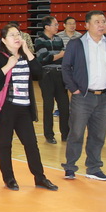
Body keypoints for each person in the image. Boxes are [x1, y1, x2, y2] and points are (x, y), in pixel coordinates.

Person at [0, 23, 59, 192]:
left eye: (18, 34)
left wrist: (27, 51)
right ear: (4, 40)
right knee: (5, 144)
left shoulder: (25, 56)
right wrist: (8, 65)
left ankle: (40, 177)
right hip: (6, 108)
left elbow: (39, 73)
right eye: (12, 35)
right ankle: (9, 178)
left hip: (24, 108)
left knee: (31, 144)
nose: (16, 37)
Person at [62, 10, 106, 181]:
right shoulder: (76, 44)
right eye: (97, 22)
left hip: (104, 97)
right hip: (83, 96)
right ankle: (70, 167)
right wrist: (74, 89)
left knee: (98, 135)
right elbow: (66, 67)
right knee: (76, 133)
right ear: (87, 25)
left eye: (103, 22)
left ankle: (94, 168)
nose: (101, 25)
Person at [34, 15, 69, 144]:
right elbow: (43, 59)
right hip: (46, 75)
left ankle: (66, 134)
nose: (57, 27)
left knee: (64, 105)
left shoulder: (59, 39)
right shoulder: (39, 40)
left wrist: (56, 56)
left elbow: (62, 57)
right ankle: (49, 135)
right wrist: (59, 55)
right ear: (47, 27)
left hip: (60, 74)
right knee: (48, 106)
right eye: (55, 24)